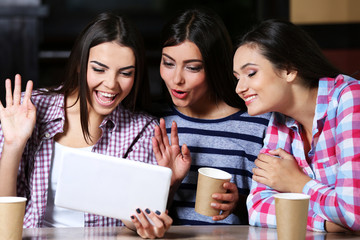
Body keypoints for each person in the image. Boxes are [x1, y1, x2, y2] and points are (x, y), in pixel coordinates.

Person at [0, 12, 172, 238]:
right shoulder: (31, 109)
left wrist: (144, 223)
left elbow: (133, 216)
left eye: (125, 73)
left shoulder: (142, 130)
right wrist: (13, 145)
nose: (111, 84)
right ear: (80, 65)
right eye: (99, 69)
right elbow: (5, 211)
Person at [233, 19, 360, 232]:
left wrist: (297, 183)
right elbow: (256, 208)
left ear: (289, 70)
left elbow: (354, 211)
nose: (239, 88)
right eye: (237, 78)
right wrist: (329, 225)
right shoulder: (280, 118)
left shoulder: (350, 99)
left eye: (251, 73)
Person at [152, 8, 271, 225]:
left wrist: (240, 203)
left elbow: (277, 209)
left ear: (215, 67)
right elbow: (140, 216)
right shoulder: (153, 122)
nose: (176, 79)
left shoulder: (258, 123)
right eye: (168, 63)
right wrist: (168, 183)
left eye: (193, 67)